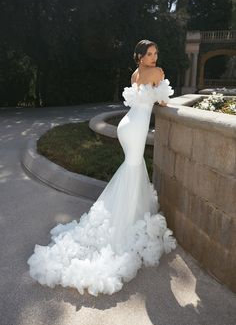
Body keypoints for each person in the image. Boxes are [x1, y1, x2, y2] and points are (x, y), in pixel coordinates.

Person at [28, 39, 176, 296]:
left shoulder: (135, 73)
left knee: (132, 168)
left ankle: (128, 216)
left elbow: (141, 98)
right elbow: (162, 102)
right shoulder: (157, 72)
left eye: (155, 53)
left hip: (126, 125)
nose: (154, 57)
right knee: (133, 168)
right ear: (140, 56)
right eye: (149, 53)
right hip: (138, 127)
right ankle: (127, 221)